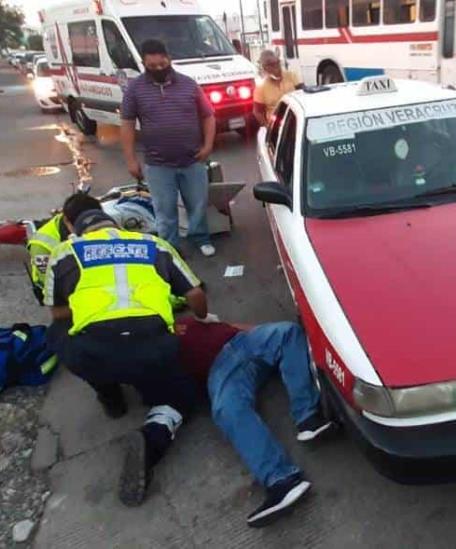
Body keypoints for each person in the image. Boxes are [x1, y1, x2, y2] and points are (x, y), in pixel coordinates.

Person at [43, 200, 217, 507]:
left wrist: (91, 304)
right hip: (153, 350)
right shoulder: (155, 245)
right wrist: (202, 319)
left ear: (71, 226)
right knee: (181, 397)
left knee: (58, 332)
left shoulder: (64, 254)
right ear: (110, 219)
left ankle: (109, 395)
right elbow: (195, 294)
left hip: (94, 354)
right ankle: (153, 434)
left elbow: (57, 312)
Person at [175, 317, 332, 527]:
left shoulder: (184, 318)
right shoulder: (156, 348)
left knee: (288, 332)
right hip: (220, 370)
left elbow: (228, 324)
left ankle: (308, 417)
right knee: (227, 409)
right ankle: (282, 480)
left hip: (242, 341)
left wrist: (260, 330)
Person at [121, 39, 217, 257]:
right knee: (165, 211)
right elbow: (126, 124)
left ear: (169, 59)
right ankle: (170, 249)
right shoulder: (135, 89)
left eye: (162, 65)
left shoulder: (189, 84)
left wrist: (208, 145)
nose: (158, 69)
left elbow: (208, 116)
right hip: (158, 164)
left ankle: (200, 238)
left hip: (192, 159)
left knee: (198, 204)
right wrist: (130, 159)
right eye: (152, 67)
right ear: (144, 63)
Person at [27, 194, 101, 303]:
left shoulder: (101, 223)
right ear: (67, 221)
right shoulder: (42, 244)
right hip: (59, 286)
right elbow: (49, 285)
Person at [253, 50, 302, 126]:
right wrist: (267, 127)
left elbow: (303, 94)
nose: (276, 66)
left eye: (277, 63)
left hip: (296, 121)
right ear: (264, 68)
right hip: (276, 126)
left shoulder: (291, 76)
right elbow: (257, 112)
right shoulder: (261, 87)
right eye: (271, 65)